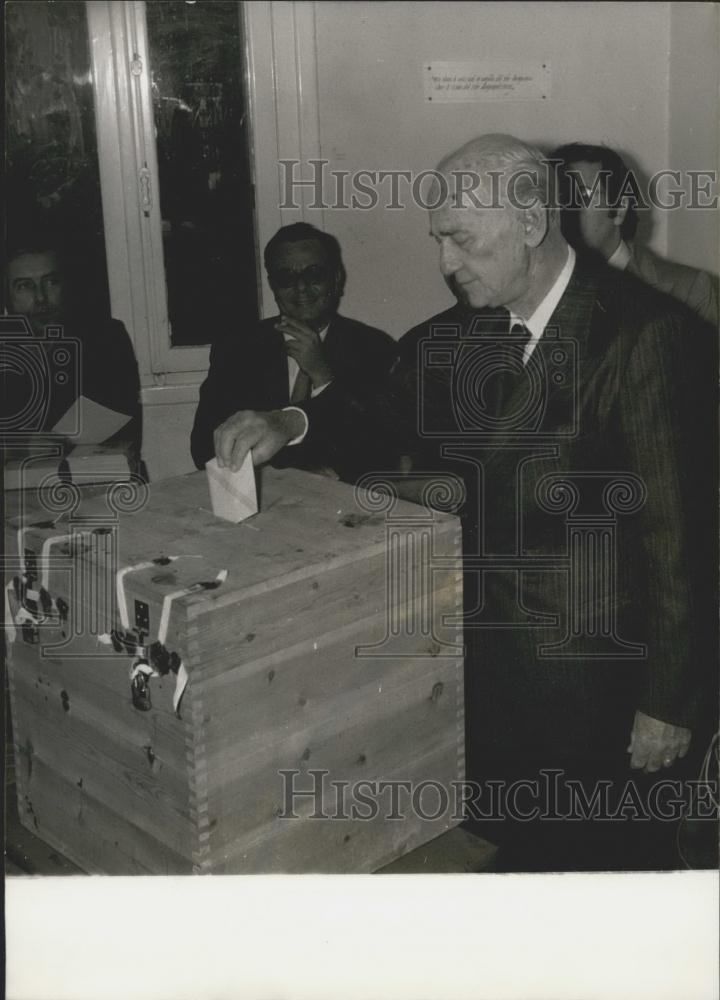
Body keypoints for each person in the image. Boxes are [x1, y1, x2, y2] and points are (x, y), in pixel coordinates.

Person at [210, 135, 717, 872]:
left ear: (531, 224)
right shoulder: (463, 329)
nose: (446, 263)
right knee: (510, 859)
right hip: (486, 660)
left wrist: (670, 702)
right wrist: (288, 421)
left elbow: (683, 541)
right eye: (438, 239)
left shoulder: (647, 336)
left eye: (460, 239)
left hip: (597, 683)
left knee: (600, 878)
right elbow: (379, 406)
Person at [190, 222, 395, 482]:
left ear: (336, 278)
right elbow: (203, 448)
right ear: (272, 285)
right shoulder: (237, 349)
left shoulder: (374, 348)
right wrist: (274, 476)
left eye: (314, 275)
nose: (301, 288)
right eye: (286, 278)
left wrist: (324, 378)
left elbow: (384, 454)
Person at [3, 239, 142, 471]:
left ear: (66, 285)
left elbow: (110, 418)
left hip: (95, 478)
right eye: (25, 286)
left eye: (51, 282)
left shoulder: (105, 337)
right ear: (7, 296)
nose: (40, 299)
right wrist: (19, 445)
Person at [551, 141, 718, 325]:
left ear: (620, 209)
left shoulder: (688, 290)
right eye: (558, 198)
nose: (563, 210)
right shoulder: (535, 285)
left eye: (581, 196)